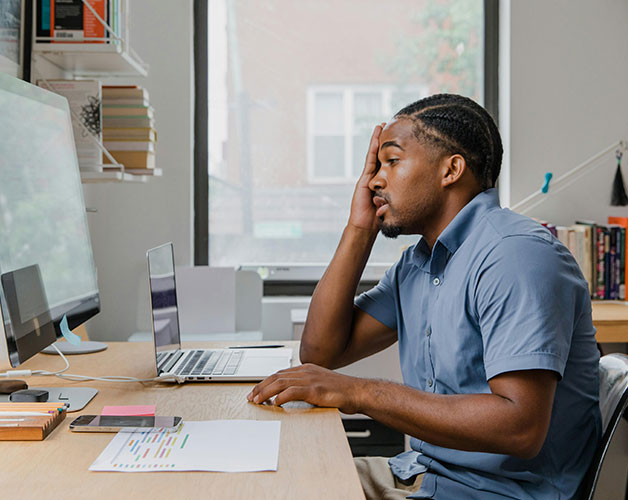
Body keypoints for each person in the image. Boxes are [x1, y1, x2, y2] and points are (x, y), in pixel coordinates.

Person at [247, 94, 601, 499]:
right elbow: (321, 352)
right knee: (269, 477)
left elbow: (520, 427)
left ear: (451, 169)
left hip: (496, 493)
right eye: (376, 167)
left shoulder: (515, 256)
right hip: (427, 474)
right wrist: (359, 228)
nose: (375, 180)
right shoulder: (419, 264)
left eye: (392, 161)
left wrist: (359, 392)